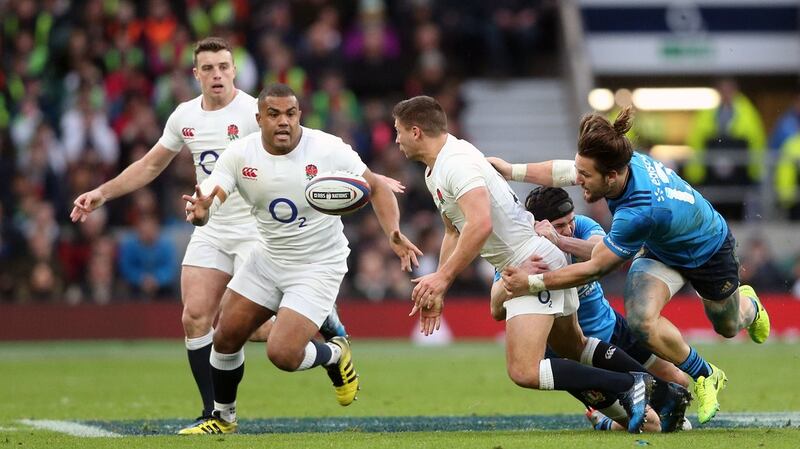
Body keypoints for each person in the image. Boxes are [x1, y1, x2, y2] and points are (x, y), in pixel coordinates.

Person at [69, 37, 355, 432]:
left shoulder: (257, 113)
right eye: (208, 68)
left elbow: (297, 158)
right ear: (196, 74)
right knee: (194, 316)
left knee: (252, 330)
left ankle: (326, 336)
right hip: (211, 226)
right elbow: (151, 165)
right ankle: (214, 413)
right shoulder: (184, 116)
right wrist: (102, 193)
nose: (217, 74)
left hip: (257, 231)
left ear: (234, 71)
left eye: (223, 67)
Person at [393, 95, 689, 434]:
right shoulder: (437, 169)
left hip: (529, 262)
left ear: (416, 131)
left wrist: (443, 278)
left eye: (398, 131)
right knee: (573, 347)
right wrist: (438, 286)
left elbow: (480, 225)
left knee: (525, 371)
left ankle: (629, 384)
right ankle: (661, 393)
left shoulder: (455, 164)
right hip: (538, 257)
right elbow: (453, 230)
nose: (396, 139)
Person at [492, 106, 771, 425]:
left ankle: (750, 306)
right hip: (661, 250)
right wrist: (510, 170)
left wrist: (533, 282)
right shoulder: (616, 163)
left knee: (728, 326)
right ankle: (706, 374)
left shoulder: (637, 212)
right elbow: (564, 172)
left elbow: (597, 267)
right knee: (641, 321)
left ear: (610, 177)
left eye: (585, 177)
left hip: (708, 248)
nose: (579, 182)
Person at [179, 83, 421, 435]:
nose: (283, 121)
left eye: (290, 114)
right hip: (268, 258)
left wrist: (394, 234)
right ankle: (223, 417)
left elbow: (377, 187)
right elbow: (211, 197)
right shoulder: (240, 154)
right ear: (258, 119)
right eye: (274, 114)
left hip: (317, 265)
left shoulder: (327, 148)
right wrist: (201, 212)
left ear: (299, 116)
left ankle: (335, 354)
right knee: (225, 338)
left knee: (283, 354)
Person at [490, 186, 690, 432]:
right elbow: (496, 309)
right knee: (652, 426)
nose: (569, 228)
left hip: (612, 330)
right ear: (537, 226)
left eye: (570, 221)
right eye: (560, 225)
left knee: (679, 381)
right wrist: (517, 277)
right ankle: (605, 420)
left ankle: (626, 401)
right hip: (569, 350)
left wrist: (560, 240)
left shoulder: (581, 227)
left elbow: (605, 255)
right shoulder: (523, 250)